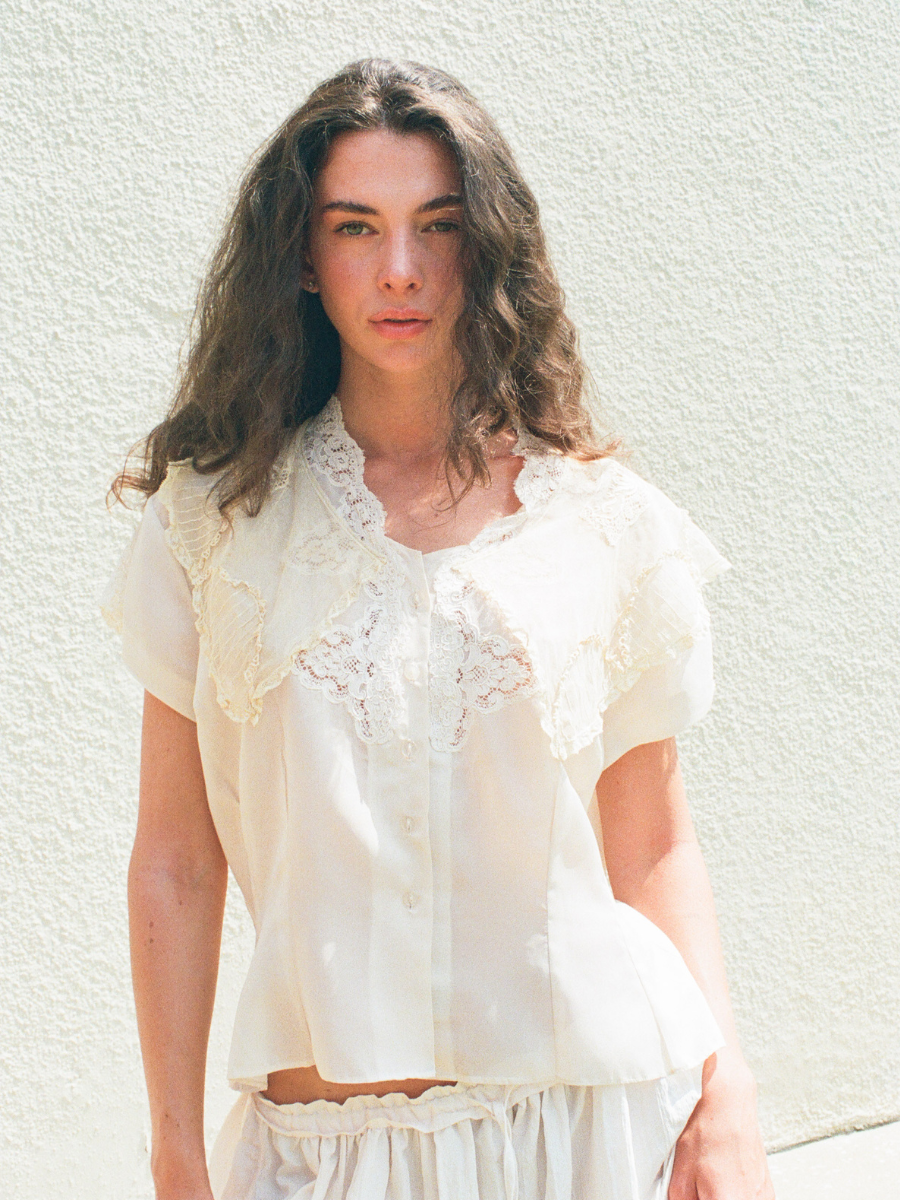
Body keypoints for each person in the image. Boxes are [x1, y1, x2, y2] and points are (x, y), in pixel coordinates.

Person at [105, 58, 774, 1200]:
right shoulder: (216, 526)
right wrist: (174, 1150)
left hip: (595, 1134)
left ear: (487, 243)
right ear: (302, 256)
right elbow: (175, 861)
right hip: (324, 1152)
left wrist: (730, 1096)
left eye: (439, 224)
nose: (401, 270)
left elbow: (654, 846)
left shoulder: (601, 522)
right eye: (355, 227)